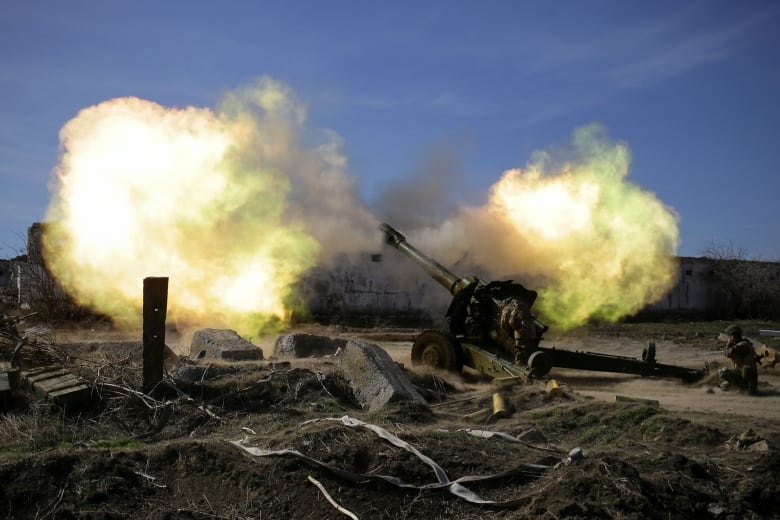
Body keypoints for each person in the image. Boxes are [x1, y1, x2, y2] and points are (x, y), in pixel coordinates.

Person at [718, 324, 759, 395]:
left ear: (733, 336)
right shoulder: (746, 344)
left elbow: (728, 353)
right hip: (746, 378)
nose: (728, 338)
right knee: (723, 386)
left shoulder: (742, 345)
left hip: (747, 383)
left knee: (722, 372)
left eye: (729, 336)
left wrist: (729, 343)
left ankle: (743, 389)